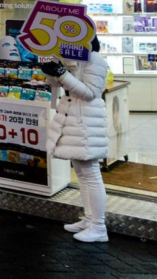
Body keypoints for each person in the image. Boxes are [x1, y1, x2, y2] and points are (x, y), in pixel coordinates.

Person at [41, 37, 110, 243]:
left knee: (90, 172)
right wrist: (50, 71)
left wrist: (62, 73)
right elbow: (59, 85)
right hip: (72, 118)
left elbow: (90, 93)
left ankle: (98, 226)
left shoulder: (95, 60)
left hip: (86, 120)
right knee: (81, 171)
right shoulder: (69, 57)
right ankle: (90, 219)